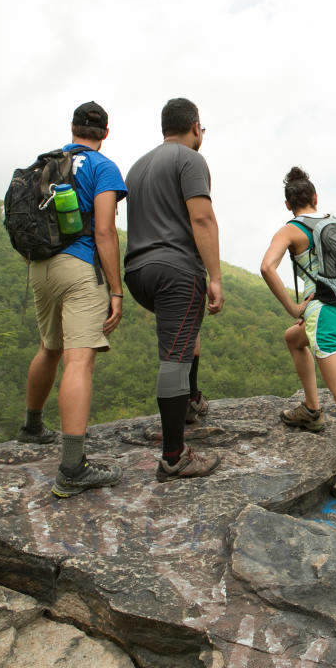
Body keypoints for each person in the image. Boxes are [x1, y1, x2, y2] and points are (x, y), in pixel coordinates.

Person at [20, 101, 127, 498]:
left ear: (72, 128)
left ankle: (31, 427)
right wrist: (116, 289)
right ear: (105, 132)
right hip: (80, 266)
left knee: (49, 347)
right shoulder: (103, 168)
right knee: (79, 360)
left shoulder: (45, 162)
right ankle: (73, 467)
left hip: (40, 266)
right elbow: (104, 231)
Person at [259, 167, 336, 504]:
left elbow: (267, 267)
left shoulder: (291, 230)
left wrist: (293, 307)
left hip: (325, 316)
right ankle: (312, 410)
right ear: (316, 199)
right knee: (293, 338)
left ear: (288, 205)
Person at [124, 97, 221, 482]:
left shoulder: (137, 166)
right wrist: (214, 276)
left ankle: (191, 402)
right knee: (174, 357)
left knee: (183, 334)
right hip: (175, 268)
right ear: (195, 127)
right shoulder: (190, 160)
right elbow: (202, 217)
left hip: (137, 270)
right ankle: (174, 456)